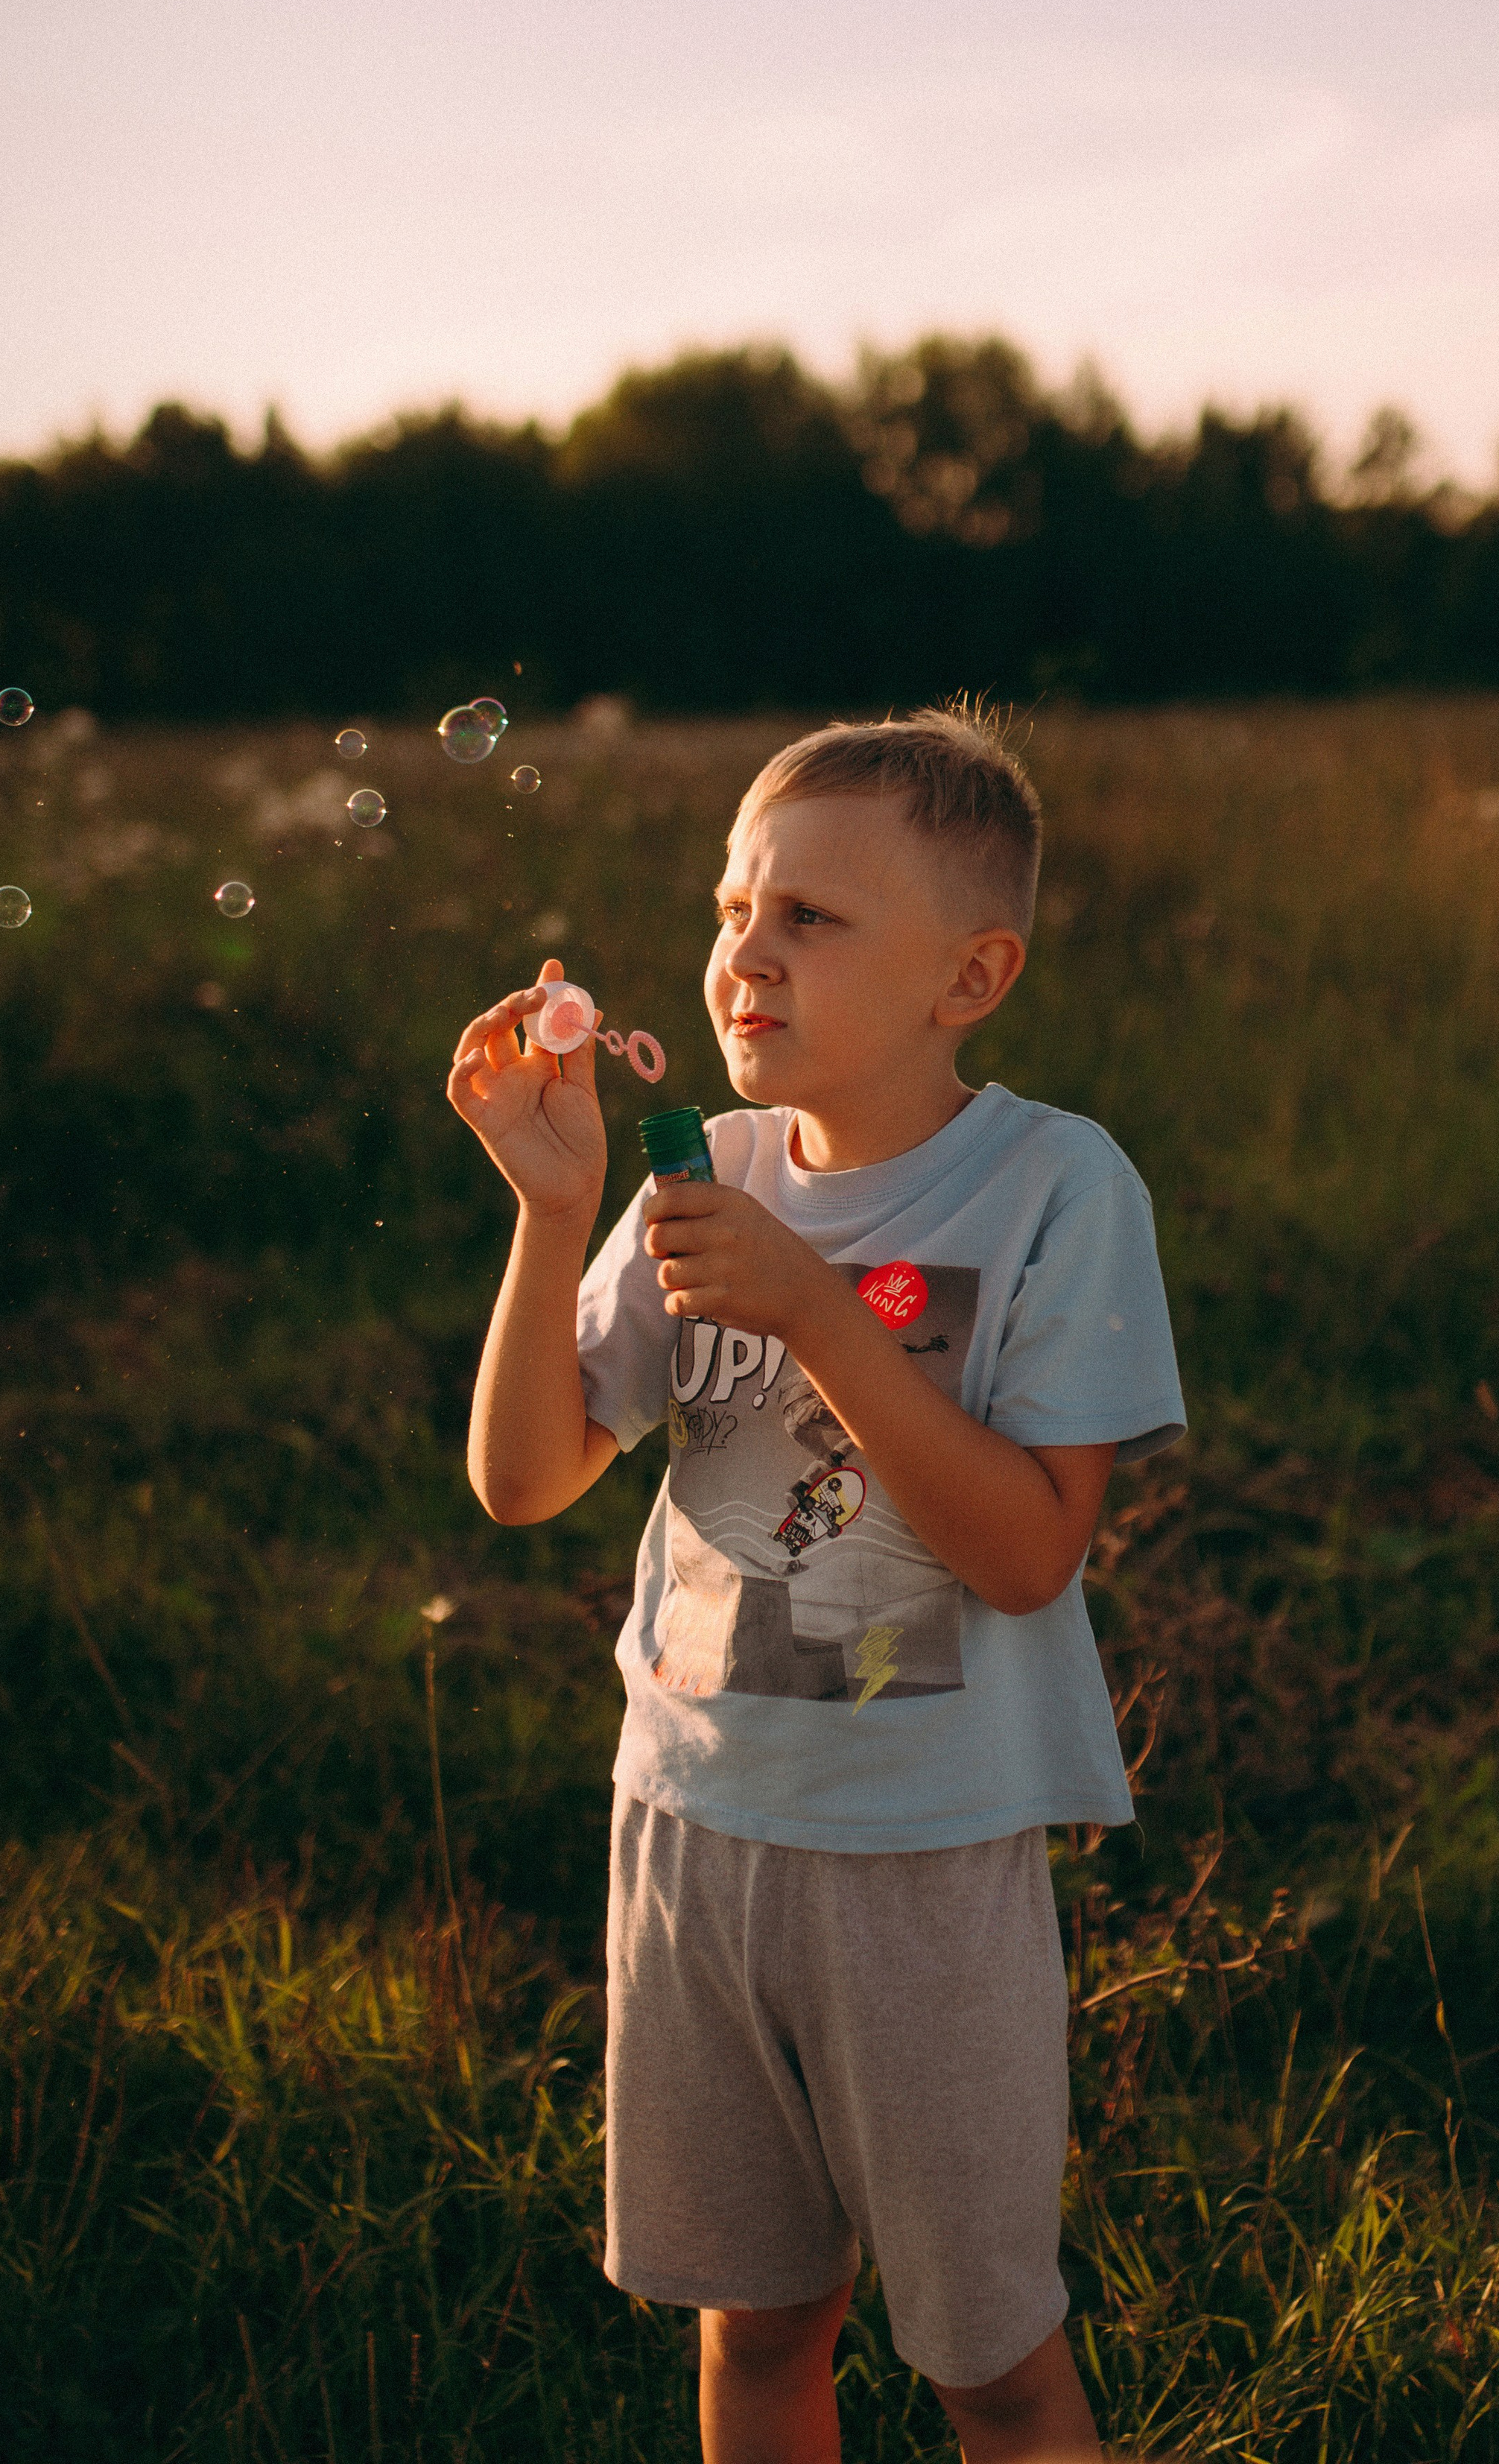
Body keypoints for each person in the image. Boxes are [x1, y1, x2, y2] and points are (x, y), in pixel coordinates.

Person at [448, 706, 1185, 2463]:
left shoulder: (1049, 1185)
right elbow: (521, 1478)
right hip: (693, 1831)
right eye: (726, 909)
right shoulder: (691, 1176)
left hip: (920, 1860)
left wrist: (809, 1310)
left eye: (809, 919)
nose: (743, 954)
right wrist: (553, 1217)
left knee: (988, 2365)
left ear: (969, 974)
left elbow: (1023, 1549)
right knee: (756, 2326)